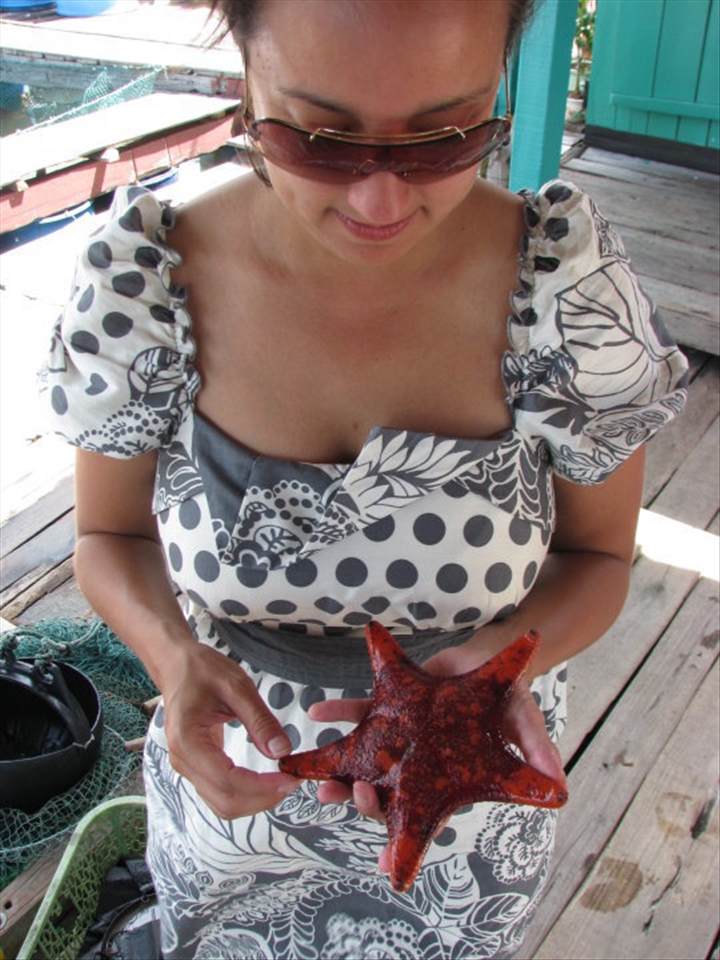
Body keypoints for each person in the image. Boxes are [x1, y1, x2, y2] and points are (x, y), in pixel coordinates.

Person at [40, 1, 689, 956]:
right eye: (319, 135)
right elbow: (109, 537)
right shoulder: (149, 279)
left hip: (473, 806)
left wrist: (497, 664)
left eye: (446, 134)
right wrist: (173, 658)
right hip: (233, 804)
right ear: (245, 77)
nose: (381, 200)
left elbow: (599, 554)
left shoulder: (564, 291)